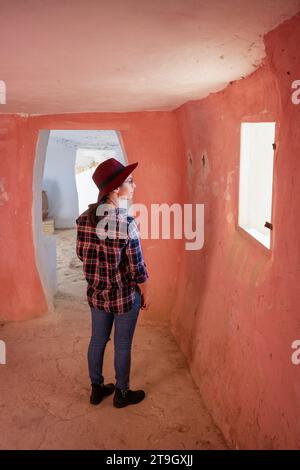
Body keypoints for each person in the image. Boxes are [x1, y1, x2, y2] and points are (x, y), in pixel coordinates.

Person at [76, 157, 150, 408]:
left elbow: (81, 255)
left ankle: (96, 389)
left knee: (97, 341)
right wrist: (145, 292)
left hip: (96, 294)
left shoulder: (83, 219)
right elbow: (137, 268)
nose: (135, 184)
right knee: (122, 346)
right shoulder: (126, 223)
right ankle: (122, 393)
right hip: (123, 296)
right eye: (130, 181)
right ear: (117, 189)